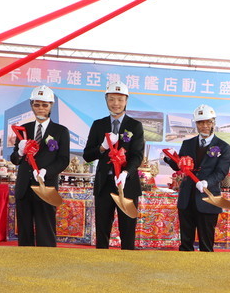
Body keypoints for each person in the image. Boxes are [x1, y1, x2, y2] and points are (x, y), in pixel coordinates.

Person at [83, 81, 144, 250]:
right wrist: (102, 147)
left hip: (127, 185)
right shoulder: (98, 125)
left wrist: (126, 173)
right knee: (102, 229)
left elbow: (137, 155)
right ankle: (101, 265)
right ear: (106, 100)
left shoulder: (135, 126)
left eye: (120, 99)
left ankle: (127, 266)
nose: (116, 103)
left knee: (127, 229)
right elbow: (87, 155)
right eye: (111, 99)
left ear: (126, 101)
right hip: (104, 185)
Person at [163, 105, 230, 252]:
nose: (205, 126)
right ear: (196, 124)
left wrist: (207, 182)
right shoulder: (187, 144)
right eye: (201, 122)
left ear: (214, 122)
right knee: (185, 244)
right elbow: (180, 166)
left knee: (206, 244)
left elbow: (221, 172)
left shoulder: (223, 146)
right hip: (187, 199)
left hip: (208, 199)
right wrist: (170, 158)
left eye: (208, 122)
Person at [10, 85, 70, 247]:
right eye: (37, 104)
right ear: (31, 105)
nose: (41, 108)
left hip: (46, 187)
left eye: (45, 104)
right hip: (24, 187)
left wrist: (46, 171)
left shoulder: (60, 131)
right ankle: (25, 265)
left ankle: (47, 265)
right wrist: (20, 152)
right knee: (24, 231)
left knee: (46, 230)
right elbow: (15, 159)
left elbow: (64, 159)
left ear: (51, 105)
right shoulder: (24, 129)